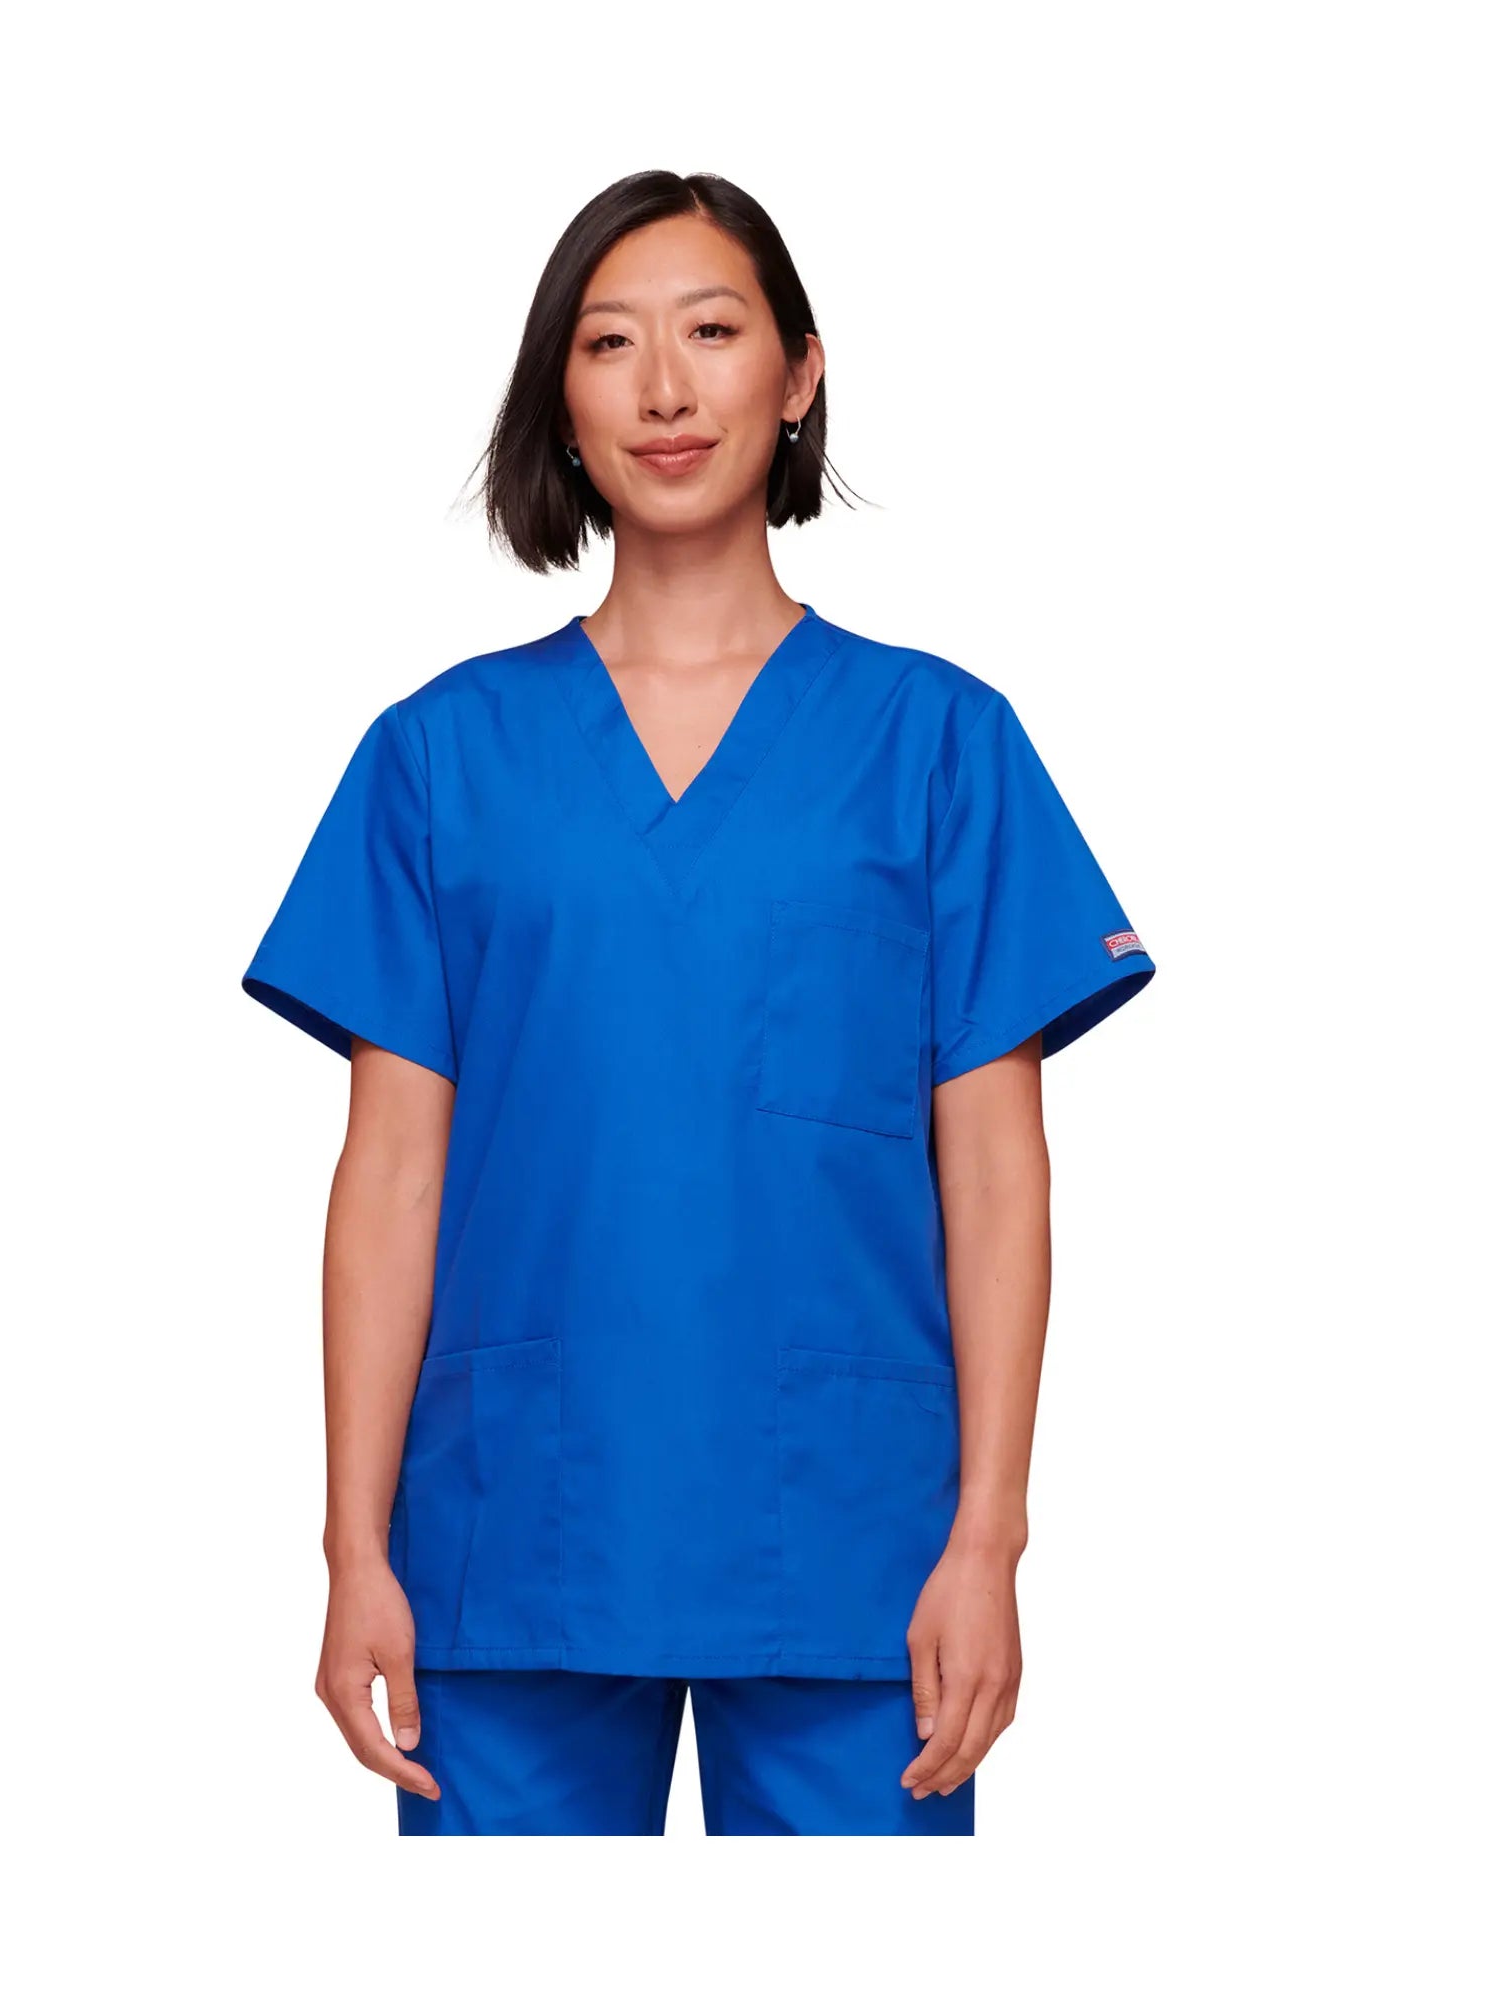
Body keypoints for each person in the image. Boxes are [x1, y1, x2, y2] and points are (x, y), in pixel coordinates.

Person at [240, 170, 1156, 1836]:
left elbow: (996, 1171)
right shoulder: (440, 757)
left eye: (713, 333)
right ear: (561, 399)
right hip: (517, 1530)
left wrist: (990, 1536)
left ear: (799, 374)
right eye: (610, 345)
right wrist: (352, 1547)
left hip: (854, 1545)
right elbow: (389, 1175)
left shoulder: (940, 745)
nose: (664, 389)